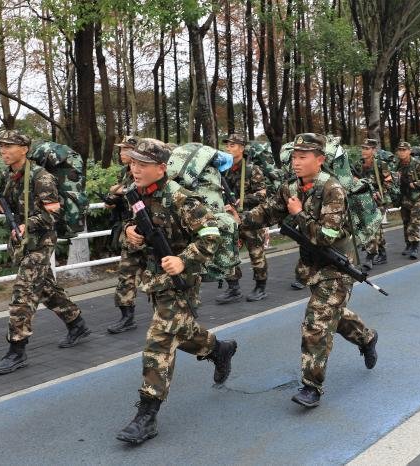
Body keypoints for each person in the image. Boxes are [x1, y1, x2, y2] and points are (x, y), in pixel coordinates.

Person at [236, 133, 378, 408]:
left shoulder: (332, 189)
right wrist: (237, 222)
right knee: (332, 315)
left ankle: (311, 387)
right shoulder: (291, 187)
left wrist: (298, 213)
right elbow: (269, 212)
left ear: (320, 160)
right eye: (294, 156)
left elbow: (326, 235)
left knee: (317, 324)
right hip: (312, 265)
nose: (296, 162)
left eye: (303, 157)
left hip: (337, 266)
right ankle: (367, 337)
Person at [116, 138, 237, 444]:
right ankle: (218, 349)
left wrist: (184, 260)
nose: (135, 168)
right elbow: (135, 228)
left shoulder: (183, 200)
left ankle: (147, 414)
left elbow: (211, 236)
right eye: (132, 163)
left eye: (142, 165)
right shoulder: (137, 194)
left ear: (161, 168)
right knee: (179, 333)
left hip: (182, 283)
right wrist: (132, 233)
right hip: (155, 281)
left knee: (158, 340)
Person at [0, 130, 91, 375]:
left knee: (22, 294)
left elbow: (53, 212)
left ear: (24, 149)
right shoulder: (9, 174)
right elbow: (14, 205)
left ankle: (17, 350)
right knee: (47, 289)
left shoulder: (41, 176)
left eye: (9, 146)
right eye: (1, 146)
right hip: (24, 242)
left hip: (40, 244)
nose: (3, 150)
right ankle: (77, 324)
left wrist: (28, 224)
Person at [216, 133, 269, 303]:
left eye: (233, 145)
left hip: (250, 218)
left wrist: (242, 200)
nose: (228, 148)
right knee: (228, 253)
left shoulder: (252, 169)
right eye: (227, 145)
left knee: (256, 254)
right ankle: (233, 288)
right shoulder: (222, 169)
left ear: (242, 148)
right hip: (230, 218)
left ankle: (260, 287)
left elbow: (262, 194)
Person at [106, 135, 143, 334]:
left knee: (163, 274)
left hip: (149, 230)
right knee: (126, 274)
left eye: (126, 149)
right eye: (121, 150)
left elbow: (133, 190)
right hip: (130, 230)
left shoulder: (145, 171)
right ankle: (127, 317)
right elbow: (120, 196)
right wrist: (112, 197)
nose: (122, 153)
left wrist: (118, 190)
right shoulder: (124, 172)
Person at [357, 138, 393, 269]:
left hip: (379, 201)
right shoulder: (359, 164)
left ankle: (370, 256)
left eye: (367, 148)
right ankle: (382, 253)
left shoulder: (381, 164)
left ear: (374, 150)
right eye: (363, 148)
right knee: (377, 228)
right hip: (364, 201)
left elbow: (389, 182)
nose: (364, 151)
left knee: (371, 227)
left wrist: (378, 191)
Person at [395, 141, 420, 259]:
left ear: (409, 151)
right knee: (406, 222)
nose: (401, 152)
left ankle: (415, 246)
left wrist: (414, 184)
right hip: (404, 197)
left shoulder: (417, 164)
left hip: (417, 198)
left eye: (404, 150)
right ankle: (408, 244)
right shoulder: (398, 165)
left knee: (414, 222)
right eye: (400, 150)